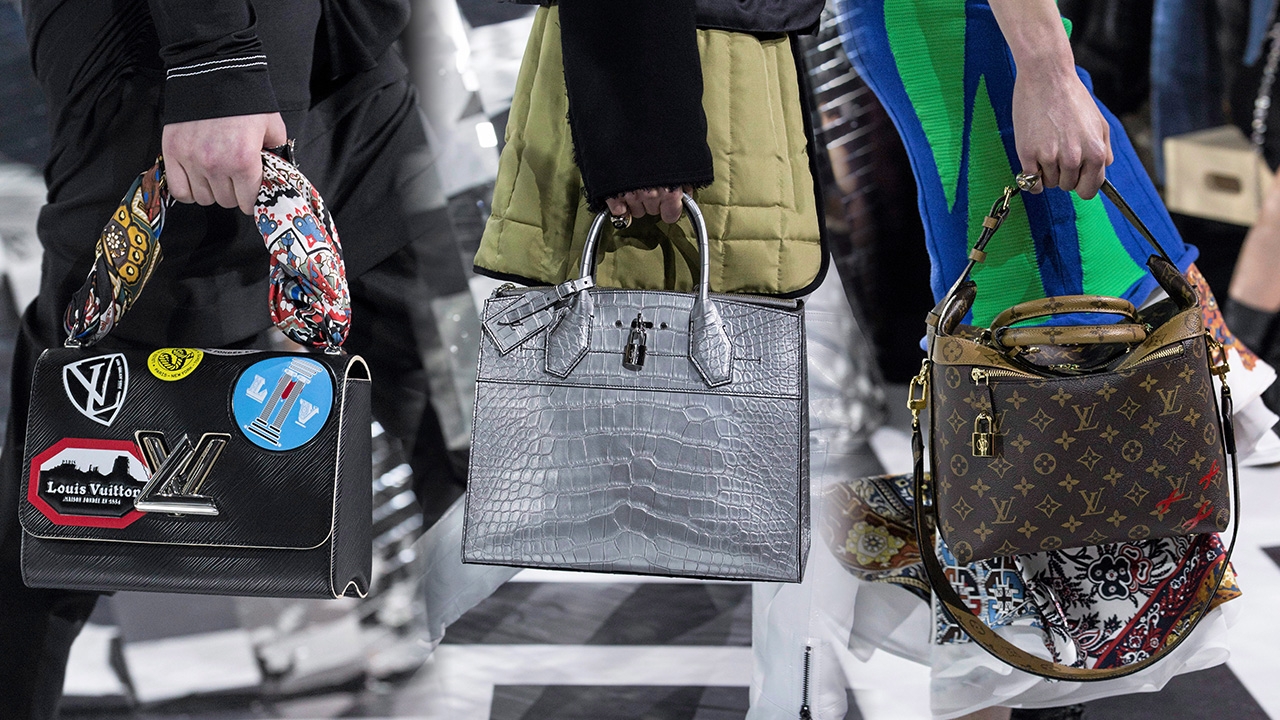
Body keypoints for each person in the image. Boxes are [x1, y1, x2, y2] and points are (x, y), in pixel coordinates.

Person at [1, 0, 459, 715]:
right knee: (63, 497)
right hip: (182, 62)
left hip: (352, 48)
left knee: (452, 418)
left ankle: (445, 670)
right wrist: (214, 63)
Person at [835, 0, 1276, 718]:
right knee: (1040, 431)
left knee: (1049, 457)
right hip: (988, 54)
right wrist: (1045, 69)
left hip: (995, 53)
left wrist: (1049, 68)